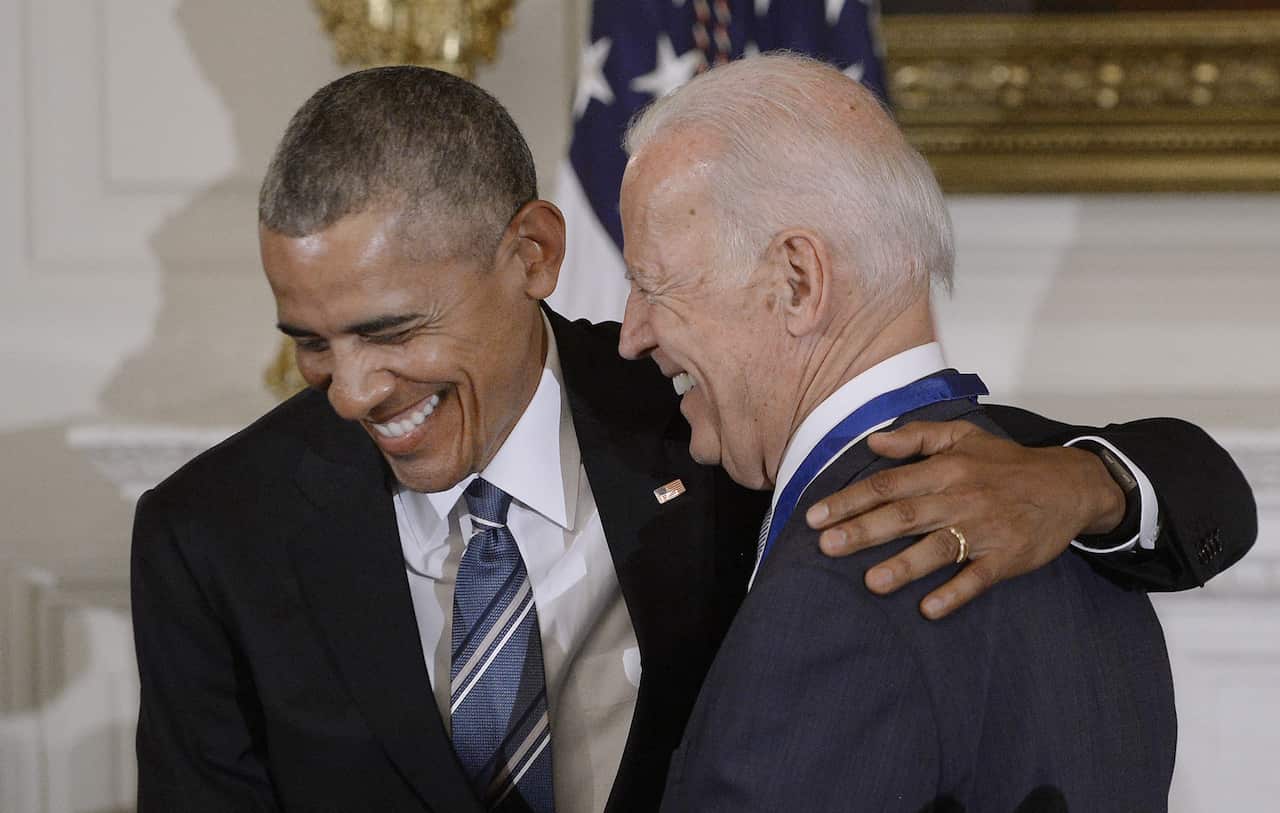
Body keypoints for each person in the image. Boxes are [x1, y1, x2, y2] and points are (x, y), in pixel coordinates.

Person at [131, 66, 1252, 812]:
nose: (349, 391)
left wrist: (1086, 483)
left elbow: (1161, 482)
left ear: (530, 255)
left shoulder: (711, 419)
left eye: (391, 330)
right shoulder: (211, 534)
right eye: (311, 343)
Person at [616, 54, 1187, 811]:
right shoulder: (1089, 544)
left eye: (654, 286)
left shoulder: (835, 597)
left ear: (798, 281)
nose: (630, 334)